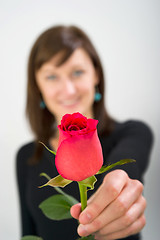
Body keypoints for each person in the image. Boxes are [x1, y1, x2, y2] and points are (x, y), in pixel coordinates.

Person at [16, 25, 153, 240]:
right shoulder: (26, 157)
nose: (69, 90)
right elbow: (27, 234)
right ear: (38, 85)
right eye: (52, 77)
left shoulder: (133, 133)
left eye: (77, 72)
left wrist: (119, 184)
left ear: (96, 74)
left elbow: (127, 170)